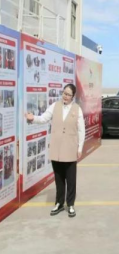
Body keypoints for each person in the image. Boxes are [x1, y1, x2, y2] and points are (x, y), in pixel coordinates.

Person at [25, 82, 85, 218]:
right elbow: (44, 118)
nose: (65, 96)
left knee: (71, 179)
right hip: (56, 148)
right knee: (58, 178)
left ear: (73, 96)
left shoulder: (77, 109)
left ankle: (70, 204)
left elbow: (81, 130)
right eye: (64, 93)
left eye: (68, 94)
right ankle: (59, 203)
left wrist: (80, 147)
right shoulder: (55, 106)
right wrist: (33, 118)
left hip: (70, 148)